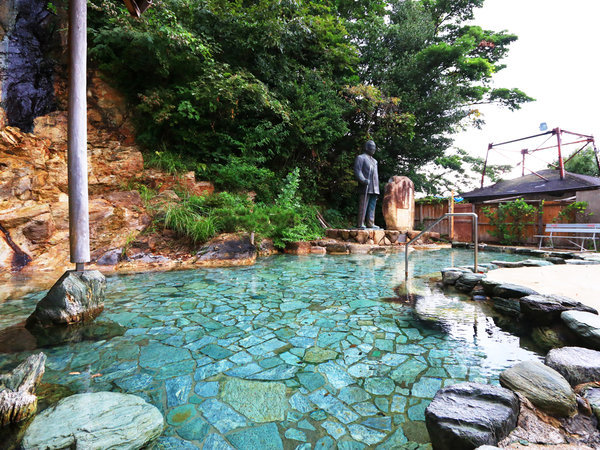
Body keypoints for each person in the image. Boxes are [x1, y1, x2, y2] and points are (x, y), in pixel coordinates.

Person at [354, 140, 380, 229]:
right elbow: (357, 171)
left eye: (374, 148)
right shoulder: (361, 158)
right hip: (365, 186)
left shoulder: (375, 161)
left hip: (374, 186)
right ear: (366, 148)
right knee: (363, 205)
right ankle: (360, 223)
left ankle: (370, 223)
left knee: (372, 206)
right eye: (372, 147)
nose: (374, 149)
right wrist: (363, 180)